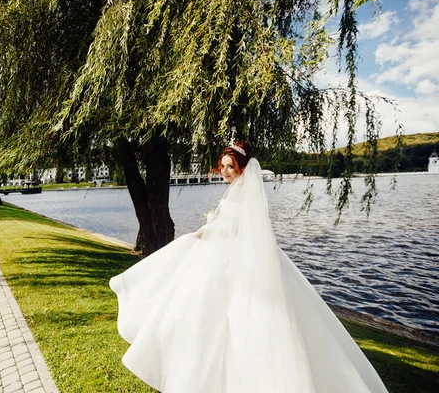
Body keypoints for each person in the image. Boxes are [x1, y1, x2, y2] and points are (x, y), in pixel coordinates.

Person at [109, 141, 388, 393]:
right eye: (223, 166)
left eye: (231, 167)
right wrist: (208, 229)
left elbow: (244, 230)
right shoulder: (238, 191)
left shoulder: (245, 194)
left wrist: (211, 230)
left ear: (242, 168)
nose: (225, 171)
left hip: (232, 259)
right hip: (224, 254)